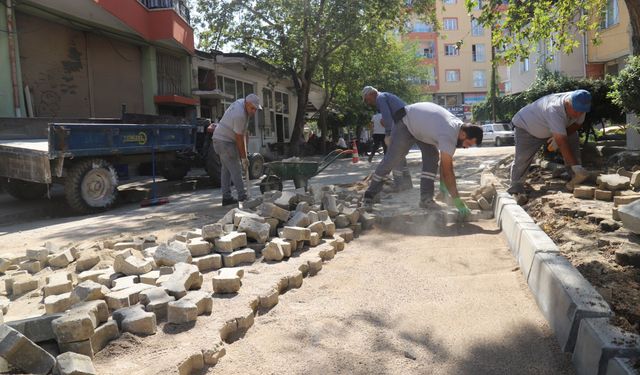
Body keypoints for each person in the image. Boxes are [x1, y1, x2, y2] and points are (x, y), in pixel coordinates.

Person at [363, 102, 483, 217]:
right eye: (468, 143)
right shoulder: (449, 133)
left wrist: (443, 187)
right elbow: (448, 171)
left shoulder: (458, 129)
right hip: (405, 122)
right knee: (393, 159)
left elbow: (445, 163)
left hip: (421, 128)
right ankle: (370, 195)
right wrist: (458, 202)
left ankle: (426, 199)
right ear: (463, 135)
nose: (466, 147)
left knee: (432, 156)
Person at [508, 89, 592, 201]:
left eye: (581, 112)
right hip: (526, 127)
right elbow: (562, 141)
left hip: (547, 126)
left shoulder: (580, 105)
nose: (578, 114)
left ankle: (575, 175)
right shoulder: (554, 109)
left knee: (572, 137)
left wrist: (561, 135)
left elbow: (577, 124)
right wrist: (559, 139)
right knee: (522, 158)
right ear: (568, 103)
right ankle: (516, 187)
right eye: (576, 111)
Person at [211, 93, 262, 206]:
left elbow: (244, 133)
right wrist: (243, 158)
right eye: (252, 108)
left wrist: (245, 152)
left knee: (226, 170)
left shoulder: (240, 103)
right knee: (236, 169)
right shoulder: (240, 115)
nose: (254, 111)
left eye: (255, 109)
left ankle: (226, 197)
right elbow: (239, 138)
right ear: (247, 103)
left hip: (219, 139)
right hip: (225, 142)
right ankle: (243, 197)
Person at [362, 86, 412, 191]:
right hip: (407, 122)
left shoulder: (380, 98)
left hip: (403, 123)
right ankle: (407, 182)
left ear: (371, 94)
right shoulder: (385, 96)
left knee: (395, 154)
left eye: (367, 99)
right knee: (400, 154)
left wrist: (389, 133)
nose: (368, 102)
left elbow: (387, 117)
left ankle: (399, 184)